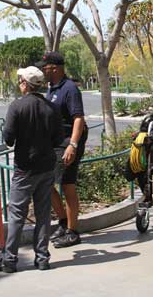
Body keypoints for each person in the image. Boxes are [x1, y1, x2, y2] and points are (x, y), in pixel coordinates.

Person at [0, 66, 63, 273]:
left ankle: (9, 260)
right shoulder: (51, 107)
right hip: (46, 166)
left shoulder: (17, 106)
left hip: (25, 168)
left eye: (20, 80)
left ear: (25, 83)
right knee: (43, 214)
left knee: (16, 214)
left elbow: (8, 138)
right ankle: (42, 258)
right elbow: (58, 139)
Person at [37, 52, 87, 248]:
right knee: (47, 182)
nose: (43, 70)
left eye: (45, 67)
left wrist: (72, 145)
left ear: (55, 68)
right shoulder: (52, 88)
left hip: (69, 143)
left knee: (67, 185)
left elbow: (78, 118)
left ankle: (73, 232)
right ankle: (64, 222)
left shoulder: (70, 89)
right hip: (56, 143)